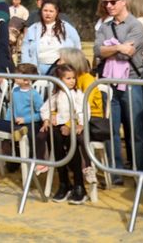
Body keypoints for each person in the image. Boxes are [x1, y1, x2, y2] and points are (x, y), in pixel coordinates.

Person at [95, 0, 143, 179]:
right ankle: (115, 173)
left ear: (123, 2)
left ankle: (138, 172)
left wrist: (109, 48)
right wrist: (118, 47)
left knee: (135, 129)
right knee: (111, 129)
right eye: (106, 2)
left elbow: (129, 53)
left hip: (131, 82)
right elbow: (97, 50)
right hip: (109, 83)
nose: (108, 6)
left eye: (113, 2)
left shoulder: (136, 25)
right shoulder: (104, 26)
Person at [45, 56, 89, 204]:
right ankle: (64, 182)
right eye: (68, 78)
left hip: (73, 128)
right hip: (59, 127)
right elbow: (46, 108)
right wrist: (48, 118)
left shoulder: (78, 94)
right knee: (53, 138)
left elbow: (84, 111)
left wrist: (78, 125)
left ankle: (79, 185)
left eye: (73, 78)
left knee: (72, 143)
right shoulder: (56, 95)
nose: (72, 81)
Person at [20, 0, 82, 73]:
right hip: (37, 68)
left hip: (60, 69)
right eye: (45, 10)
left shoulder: (67, 27)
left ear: (57, 12)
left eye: (51, 11)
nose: (48, 14)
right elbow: (25, 49)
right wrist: (27, 68)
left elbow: (77, 46)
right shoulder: (32, 29)